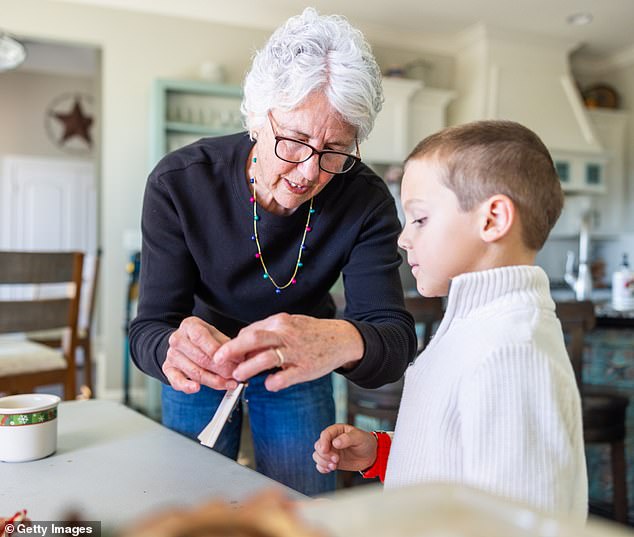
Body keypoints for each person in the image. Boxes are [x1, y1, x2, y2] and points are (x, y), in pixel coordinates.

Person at [129, 7, 417, 497]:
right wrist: (170, 350)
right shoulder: (180, 182)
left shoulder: (364, 198)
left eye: (336, 149)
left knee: (300, 508)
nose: (309, 171)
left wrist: (341, 341)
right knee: (195, 508)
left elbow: (394, 340)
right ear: (257, 118)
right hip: (206, 360)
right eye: (295, 140)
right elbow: (149, 328)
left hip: (299, 362)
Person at [313, 120, 588, 521]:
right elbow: (463, 467)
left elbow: (515, 524)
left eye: (420, 219)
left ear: (492, 219)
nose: (403, 239)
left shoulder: (511, 354)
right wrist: (386, 452)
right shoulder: (472, 326)